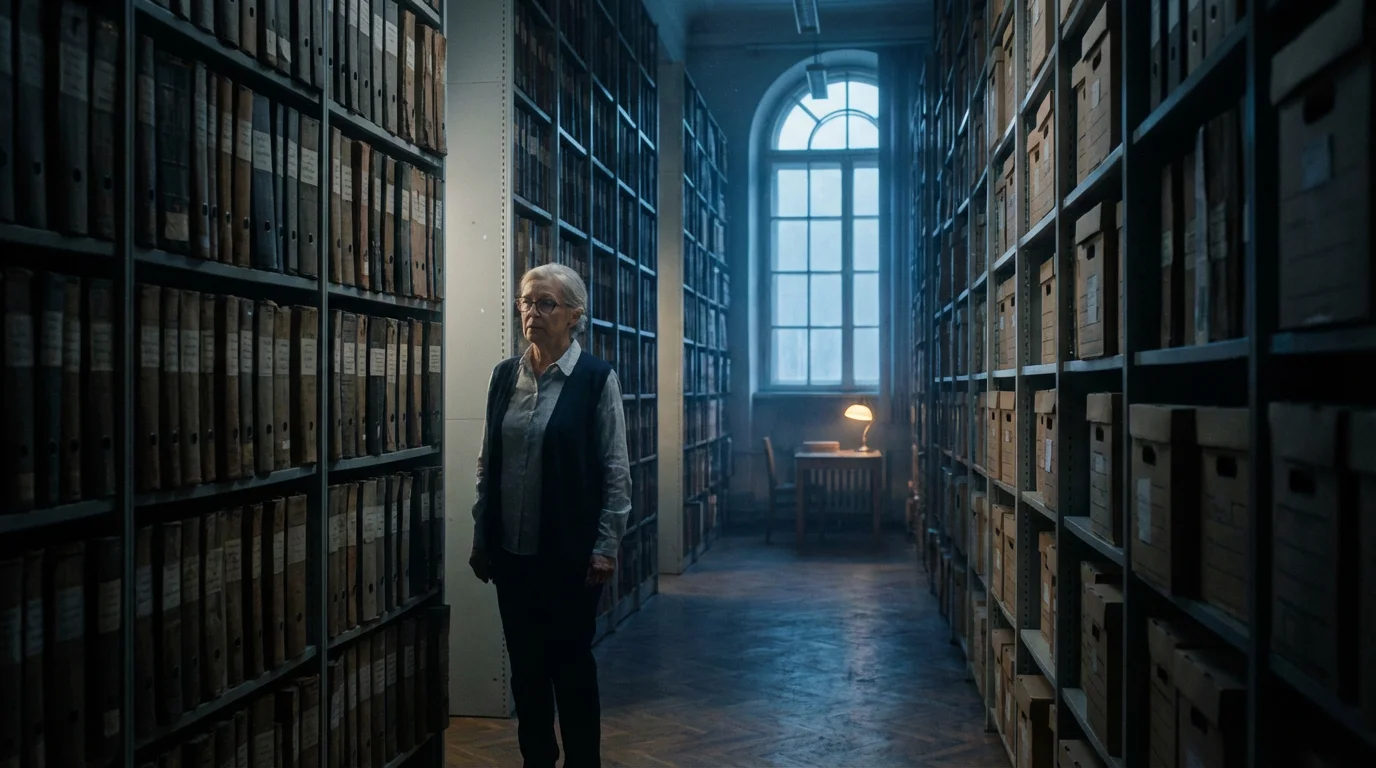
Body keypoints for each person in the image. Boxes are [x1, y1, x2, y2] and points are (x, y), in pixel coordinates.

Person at [468, 263, 631, 768]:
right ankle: (536, 760)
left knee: (571, 669)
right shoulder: (503, 377)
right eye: (525, 301)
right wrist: (481, 533)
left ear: (574, 316)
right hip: (512, 554)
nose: (531, 313)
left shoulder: (596, 380)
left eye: (545, 304)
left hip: (569, 555)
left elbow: (615, 470)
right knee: (525, 671)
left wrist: (606, 546)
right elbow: (486, 462)